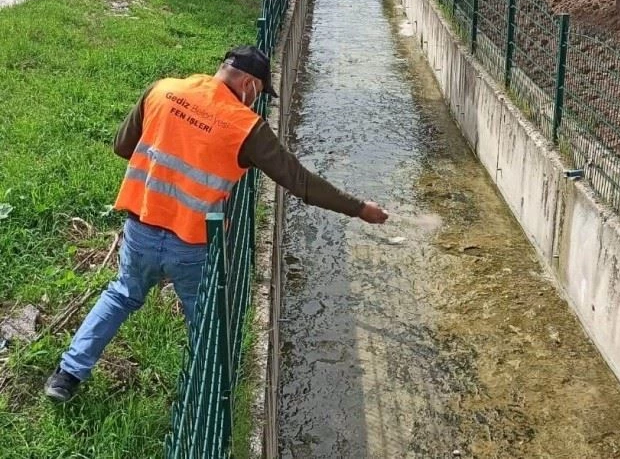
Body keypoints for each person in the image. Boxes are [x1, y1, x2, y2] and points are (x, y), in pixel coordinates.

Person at [44, 45, 388, 403]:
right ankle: (209, 392)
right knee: (203, 315)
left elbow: (122, 146)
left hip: (142, 226)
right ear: (249, 83)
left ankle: (67, 375)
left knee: (121, 295)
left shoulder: (163, 89)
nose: (256, 101)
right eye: (259, 93)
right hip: (191, 242)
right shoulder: (245, 127)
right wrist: (359, 208)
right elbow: (298, 180)